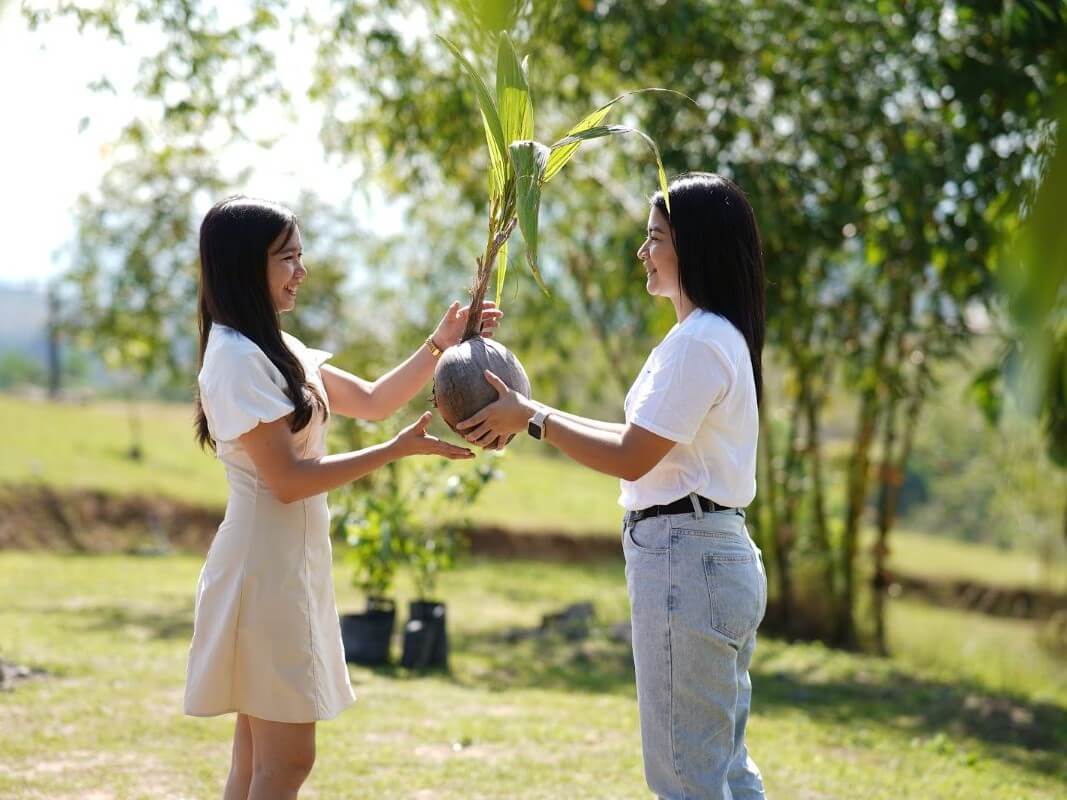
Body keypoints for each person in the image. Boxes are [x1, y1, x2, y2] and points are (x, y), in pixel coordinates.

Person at [457, 172, 768, 799]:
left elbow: (631, 458)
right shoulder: (706, 337)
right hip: (708, 554)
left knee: (686, 777)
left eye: (655, 238)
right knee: (723, 771)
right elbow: (640, 441)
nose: (642, 251)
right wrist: (531, 412)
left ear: (694, 247)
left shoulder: (699, 343)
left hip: (687, 559)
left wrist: (533, 419)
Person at [184, 195, 501, 800]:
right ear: (245, 265)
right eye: (287, 258)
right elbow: (287, 482)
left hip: (283, 566)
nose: (301, 271)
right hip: (263, 573)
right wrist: (395, 452)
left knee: (257, 763)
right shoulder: (238, 358)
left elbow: (376, 402)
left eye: (299, 256)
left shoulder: (277, 348)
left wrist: (441, 344)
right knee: (286, 762)